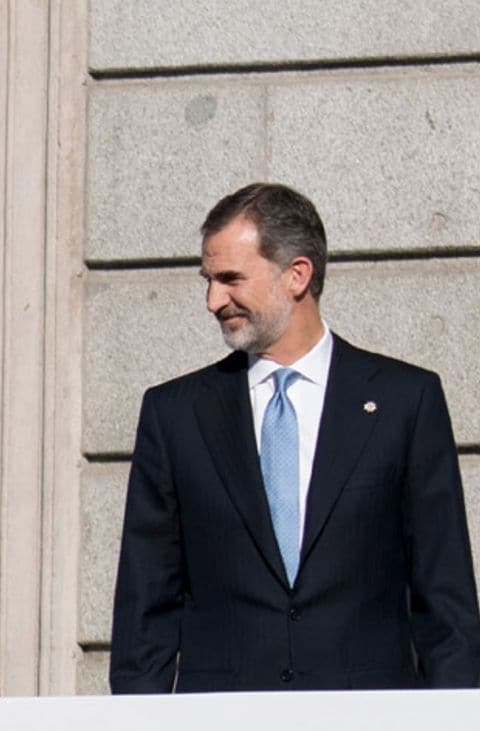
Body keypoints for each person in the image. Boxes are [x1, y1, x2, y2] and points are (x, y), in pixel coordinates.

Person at [110, 182, 480, 692]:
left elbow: (446, 594)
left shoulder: (404, 401)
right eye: (208, 280)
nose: (214, 300)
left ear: (297, 275)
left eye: (231, 279)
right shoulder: (176, 414)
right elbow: (144, 606)